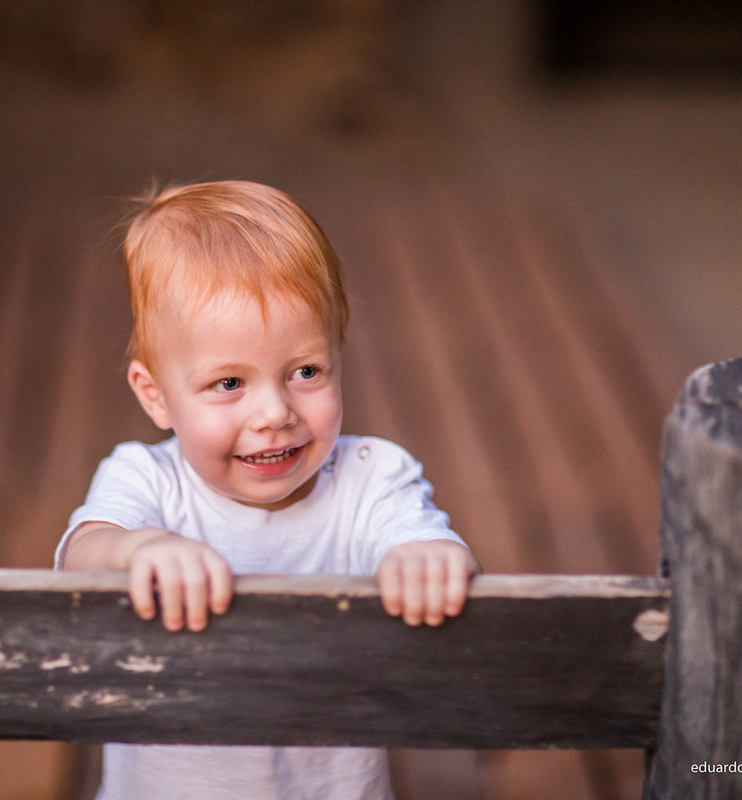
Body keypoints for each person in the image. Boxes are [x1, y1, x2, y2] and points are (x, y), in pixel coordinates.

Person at [55, 180, 480, 800]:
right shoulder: (147, 481)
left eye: (306, 371)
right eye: (229, 383)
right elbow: (85, 552)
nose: (275, 413)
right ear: (156, 396)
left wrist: (427, 557)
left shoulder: (371, 478)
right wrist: (138, 549)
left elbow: (425, 542)